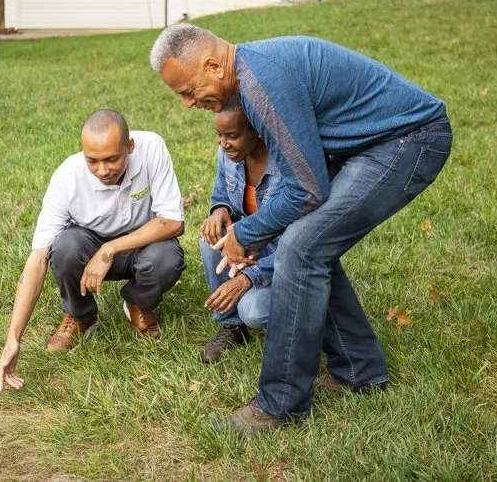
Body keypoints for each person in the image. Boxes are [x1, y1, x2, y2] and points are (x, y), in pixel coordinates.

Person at [149, 25, 452, 433]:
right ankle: (358, 370)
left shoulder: (263, 84)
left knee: (302, 248)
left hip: (409, 140)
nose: (188, 104)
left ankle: (280, 404)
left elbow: (306, 191)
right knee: (312, 244)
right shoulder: (252, 74)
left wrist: (246, 233)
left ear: (214, 65)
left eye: (188, 91)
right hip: (376, 144)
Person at [0, 110, 186, 391]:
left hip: (141, 245)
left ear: (130, 147)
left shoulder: (152, 148)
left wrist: (110, 249)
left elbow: (173, 222)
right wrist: (13, 337)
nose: (102, 170)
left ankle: (138, 302)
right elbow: (37, 259)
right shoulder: (67, 177)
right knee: (64, 248)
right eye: (92, 160)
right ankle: (80, 315)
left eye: (112, 159)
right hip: (88, 248)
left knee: (167, 258)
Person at [199, 99, 280, 364]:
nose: (223, 144)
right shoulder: (229, 155)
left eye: (232, 136)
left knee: (253, 311)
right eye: (219, 135)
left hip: (285, 256)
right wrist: (219, 211)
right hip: (251, 244)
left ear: (258, 131)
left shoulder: (284, 166)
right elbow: (222, 195)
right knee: (210, 237)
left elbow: (297, 244)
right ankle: (231, 324)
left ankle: (304, 314)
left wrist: (249, 277)